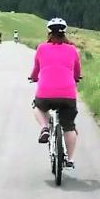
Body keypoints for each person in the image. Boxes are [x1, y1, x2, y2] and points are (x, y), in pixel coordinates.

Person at [29, 18, 82, 169]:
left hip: (45, 93)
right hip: (67, 95)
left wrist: (33, 78)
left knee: (37, 106)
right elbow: (77, 71)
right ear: (64, 33)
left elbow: (36, 70)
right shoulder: (72, 50)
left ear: (49, 33)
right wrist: (76, 78)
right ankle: (70, 159)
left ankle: (44, 128)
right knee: (69, 127)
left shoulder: (41, 48)